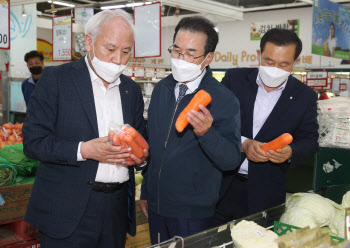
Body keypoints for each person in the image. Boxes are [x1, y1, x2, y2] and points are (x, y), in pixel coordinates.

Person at [23, 9, 148, 248]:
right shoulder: (56, 80)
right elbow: (33, 142)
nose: (118, 60)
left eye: (126, 52)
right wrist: (83, 150)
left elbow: (141, 138)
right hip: (67, 209)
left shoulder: (130, 90)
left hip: (116, 209)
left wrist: (141, 157)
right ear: (89, 42)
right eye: (110, 49)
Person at [140, 16, 241, 244]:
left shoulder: (223, 99)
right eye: (176, 51)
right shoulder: (162, 89)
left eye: (190, 53)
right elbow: (154, 146)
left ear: (208, 58)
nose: (181, 59)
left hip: (193, 212)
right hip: (156, 205)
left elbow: (231, 160)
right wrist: (147, 192)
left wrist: (207, 134)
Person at [213, 28, 319, 226]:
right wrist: (243, 144)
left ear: (295, 63)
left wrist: (290, 152)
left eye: (284, 64)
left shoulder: (305, 97)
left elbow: (310, 140)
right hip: (222, 187)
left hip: (266, 195)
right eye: (269, 62)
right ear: (258, 55)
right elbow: (216, 123)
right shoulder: (234, 80)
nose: (275, 68)